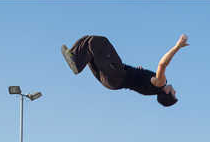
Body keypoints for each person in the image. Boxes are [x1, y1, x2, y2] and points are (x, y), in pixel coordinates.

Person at [61, 34, 189, 107]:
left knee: (99, 42)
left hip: (118, 74)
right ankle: (73, 57)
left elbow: (162, 65)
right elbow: (138, 81)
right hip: (111, 83)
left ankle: (76, 62)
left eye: (173, 93)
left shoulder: (161, 82)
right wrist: (138, 72)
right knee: (91, 51)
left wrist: (178, 46)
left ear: (167, 91)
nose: (175, 90)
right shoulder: (151, 90)